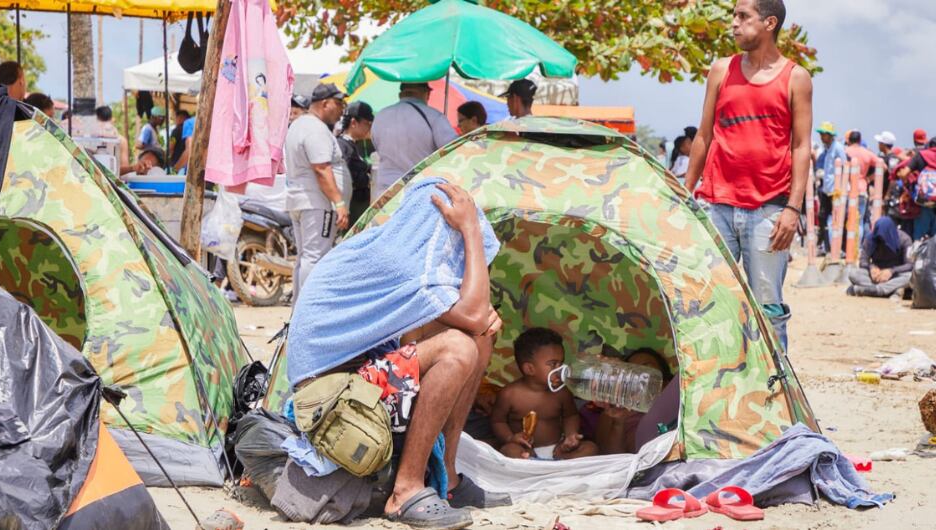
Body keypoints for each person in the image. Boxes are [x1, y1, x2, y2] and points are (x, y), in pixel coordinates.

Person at [286, 181, 511, 528]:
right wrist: (470, 231)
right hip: (328, 394)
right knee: (459, 347)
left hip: (359, 377)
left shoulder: (399, 255)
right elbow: (474, 313)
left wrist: (478, 318)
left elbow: (473, 317)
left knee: (477, 341)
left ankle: (447, 479)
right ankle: (404, 491)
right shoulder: (398, 262)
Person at [685, 0, 812, 351]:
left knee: (767, 307)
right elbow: (703, 135)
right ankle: (715, 387)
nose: (734, 24)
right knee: (709, 301)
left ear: (769, 23)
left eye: (743, 17)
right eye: (734, 16)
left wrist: (793, 209)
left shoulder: (795, 78)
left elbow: (801, 147)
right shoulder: (721, 70)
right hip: (715, 206)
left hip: (769, 212)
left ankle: (774, 396)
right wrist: (685, 190)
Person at [285, 83, 351, 299]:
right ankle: (308, 311)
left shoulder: (299, 125)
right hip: (317, 203)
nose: (342, 109)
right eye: (339, 103)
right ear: (325, 103)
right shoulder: (315, 129)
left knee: (305, 258)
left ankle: (298, 313)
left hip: (302, 201)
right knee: (315, 258)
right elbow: (321, 168)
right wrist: (339, 203)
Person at [491, 328, 598, 460]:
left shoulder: (562, 392)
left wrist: (570, 436)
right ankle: (536, 465)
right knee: (509, 451)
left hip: (558, 450)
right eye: (553, 364)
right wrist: (510, 438)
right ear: (529, 369)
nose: (559, 369)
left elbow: (571, 415)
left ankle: (550, 468)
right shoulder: (509, 394)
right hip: (525, 450)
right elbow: (497, 421)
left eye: (561, 363)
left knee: (591, 448)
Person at [371, 82, 458, 201]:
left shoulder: (380, 116)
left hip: (386, 192)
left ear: (401, 93)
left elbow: (377, 148)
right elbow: (454, 152)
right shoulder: (434, 116)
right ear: (425, 93)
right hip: (421, 192)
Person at [591, 349, 674, 455]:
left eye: (647, 368)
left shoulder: (678, 402)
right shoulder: (612, 414)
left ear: (665, 381)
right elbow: (612, 459)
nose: (639, 375)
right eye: (633, 370)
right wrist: (618, 423)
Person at [847, 216, 913, 298]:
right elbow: (863, 260)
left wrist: (891, 271)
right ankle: (888, 291)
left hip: (895, 275)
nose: (881, 240)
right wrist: (872, 268)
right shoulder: (870, 239)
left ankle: (875, 290)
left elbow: (910, 265)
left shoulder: (904, 239)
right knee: (853, 273)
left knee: (910, 276)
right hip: (876, 276)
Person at [337, 101, 374, 226]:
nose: (369, 128)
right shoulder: (343, 146)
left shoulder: (352, 145)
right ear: (353, 123)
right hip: (351, 207)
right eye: (367, 124)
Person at [814, 121, 846, 253]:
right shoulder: (826, 149)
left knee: (837, 218)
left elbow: (844, 165)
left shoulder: (837, 147)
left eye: (824, 135)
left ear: (830, 135)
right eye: (821, 134)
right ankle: (825, 246)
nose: (822, 137)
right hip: (827, 189)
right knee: (822, 217)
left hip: (836, 190)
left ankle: (839, 247)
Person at [899, 139, 936, 240]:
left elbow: (903, 174)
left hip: (924, 200)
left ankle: (918, 252)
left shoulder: (921, 155)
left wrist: (907, 183)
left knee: (919, 237)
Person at [845, 130, 882, 230]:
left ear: (849, 140)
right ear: (860, 140)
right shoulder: (867, 153)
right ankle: (857, 245)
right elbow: (883, 166)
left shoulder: (845, 151)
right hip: (861, 189)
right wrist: (869, 178)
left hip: (846, 188)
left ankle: (846, 245)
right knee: (859, 222)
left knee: (845, 220)